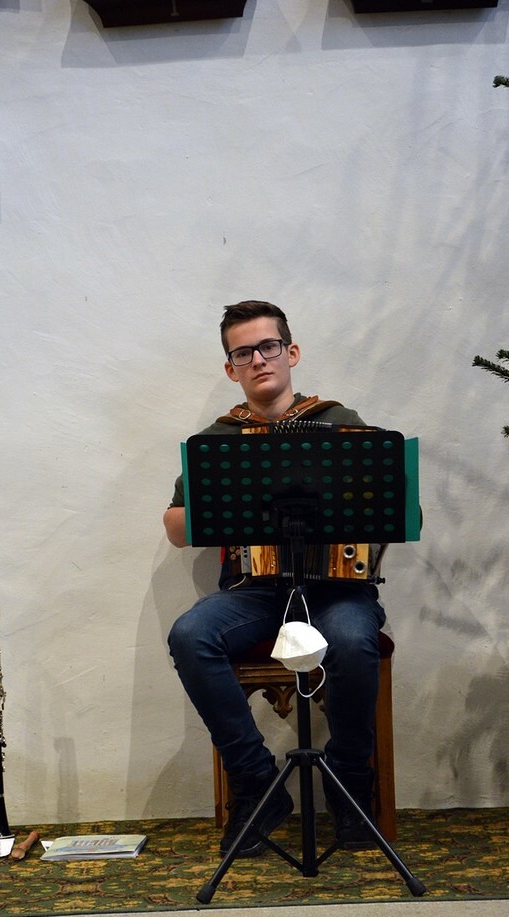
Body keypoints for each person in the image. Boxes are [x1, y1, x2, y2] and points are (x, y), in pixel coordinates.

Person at [164, 300, 387, 858]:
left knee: (354, 641)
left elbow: (391, 506)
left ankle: (349, 783)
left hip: (337, 587)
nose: (258, 359)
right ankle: (257, 785)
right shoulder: (218, 439)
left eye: (268, 347)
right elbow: (174, 526)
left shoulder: (339, 421)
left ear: (292, 352)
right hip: (256, 592)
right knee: (191, 634)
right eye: (243, 353)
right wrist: (223, 506)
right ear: (230, 368)